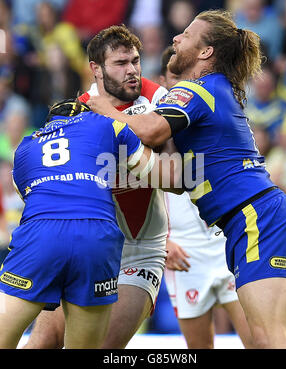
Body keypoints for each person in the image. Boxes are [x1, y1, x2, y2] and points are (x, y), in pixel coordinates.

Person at [87, 10, 286, 349]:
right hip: (256, 218)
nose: (176, 38)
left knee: (268, 340)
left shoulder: (198, 90)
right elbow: (175, 175)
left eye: (185, 35)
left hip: (254, 217)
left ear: (205, 52)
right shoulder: (213, 89)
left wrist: (105, 109)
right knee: (276, 338)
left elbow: (153, 129)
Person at [24, 25, 169, 349]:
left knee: (103, 348)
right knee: (42, 340)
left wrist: (107, 114)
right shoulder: (78, 110)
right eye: (120, 63)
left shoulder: (157, 97)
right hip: (89, 245)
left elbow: (174, 161)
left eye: (135, 60)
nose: (131, 70)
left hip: (141, 250)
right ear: (96, 69)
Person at [0, 98, 179, 349]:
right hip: (97, 234)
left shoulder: (25, 146)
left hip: (41, 234)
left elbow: (26, 195)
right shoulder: (107, 125)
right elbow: (169, 179)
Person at [159, 45, 253, 348]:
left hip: (224, 241)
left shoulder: (214, 115)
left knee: (258, 340)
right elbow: (139, 193)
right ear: (162, 82)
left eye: (184, 76)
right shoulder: (151, 132)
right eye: (174, 77)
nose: (180, 84)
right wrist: (162, 241)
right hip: (184, 251)